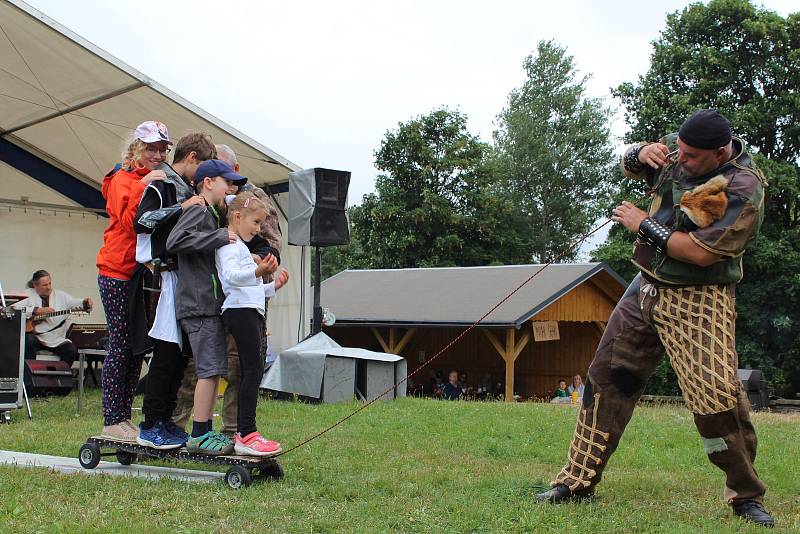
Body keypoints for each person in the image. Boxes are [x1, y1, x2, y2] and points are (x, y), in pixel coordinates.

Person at [535, 110, 773, 527]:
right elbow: (628, 166)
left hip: (701, 297)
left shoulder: (743, 187)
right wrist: (639, 151)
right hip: (645, 285)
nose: (681, 160)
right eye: (677, 150)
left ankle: (745, 495)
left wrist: (641, 223)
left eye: (692, 156)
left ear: (719, 153)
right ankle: (575, 481)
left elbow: (701, 253)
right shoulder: (680, 149)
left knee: (715, 399)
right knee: (606, 381)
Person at [171, 144, 284, 437]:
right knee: (204, 365)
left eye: (229, 177)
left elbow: (267, 239)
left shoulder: (251, 199)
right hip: (216, 299)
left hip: (239, 295)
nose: (228, 185)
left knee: (233, 366)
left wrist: (264, 265)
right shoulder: (203, 205)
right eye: (221, 178)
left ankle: (232, 428)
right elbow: (182, 241)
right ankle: (187, 428)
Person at [133, 133, 214, 449]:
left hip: (185, 275)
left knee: (180, 353)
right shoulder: (162, 183)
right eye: (203, 168)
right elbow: (142, 222)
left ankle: (165, 420)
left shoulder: (185, 188)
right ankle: (150, 423)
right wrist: (181, 208)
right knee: (166, 350)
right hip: (165, 276)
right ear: (192, 157)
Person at [95, 121, 170, 442]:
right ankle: (112, 418)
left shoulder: (150, 179)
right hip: (115, 272)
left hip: (139, 274)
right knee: (120, 346)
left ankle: (124, 417)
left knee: (136, 347)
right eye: (150, 148)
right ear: (136, 148)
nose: (156, 154)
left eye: (161, 149)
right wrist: (145, 185)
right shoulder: (121, 180)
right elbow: (130, 223)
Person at [166, 159, 243, 455]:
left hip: (209, 304)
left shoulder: (210, 213)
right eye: (227, 182)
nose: (231, 187)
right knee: (208, 370)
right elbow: (175, 240)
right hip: (197, 304)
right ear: (208, 182)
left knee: (214, 370)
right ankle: (198, 434)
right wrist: (218, 236)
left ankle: (205, 430)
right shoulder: (197, 209)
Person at [216, 191, 288, 455]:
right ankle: (246, 432)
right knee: (252, 369)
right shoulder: (229, 245)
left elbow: (252, 288)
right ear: (237, 217)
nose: (258, 229)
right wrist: (257, 271)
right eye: (255, 223)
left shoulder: (242, 247)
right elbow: (231, 278)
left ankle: (247, 431)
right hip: (239, 311)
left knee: (254, 369)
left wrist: (273, 287)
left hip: (250, 309)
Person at [14, 270, 92, 366]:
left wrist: (85, 302)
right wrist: (36, 310)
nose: (49, 287)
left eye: (49, 283)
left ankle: (61, 378)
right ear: (35, 285)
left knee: (71, 350)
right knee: (29, 340)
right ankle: (29, 377)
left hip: (55, 339)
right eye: (44, 285)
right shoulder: (27, 294)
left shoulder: (61, 296)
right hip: (36, 337)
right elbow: (14, 308)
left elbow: (76, 302)